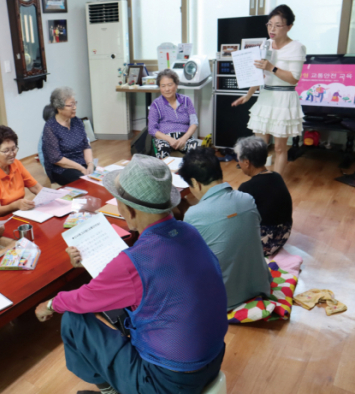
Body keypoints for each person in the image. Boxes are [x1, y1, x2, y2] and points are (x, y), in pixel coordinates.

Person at [34, 155, 228, 394]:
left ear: (129, 210)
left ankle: (111, 390)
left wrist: (50, 304)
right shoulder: (189, 232)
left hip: (167, 381)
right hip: (213, 358)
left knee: (73, 320)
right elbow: (152, 278)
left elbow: (84, 299)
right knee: (117, 308)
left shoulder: (133, 263)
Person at [179, 147, 272, 311]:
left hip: (224, 299)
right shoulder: (247, 199)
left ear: (195, 183)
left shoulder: (193, 215)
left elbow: (188, 262)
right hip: (260, 284)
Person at [231, 4, 306, 176]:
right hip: (266, 96)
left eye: (278, 25)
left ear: (289, 27)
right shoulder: (266, 44)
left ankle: (276, 183)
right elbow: (259, 73)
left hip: (284, 98)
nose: (272, 29)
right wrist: (248, 95)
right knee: (259, 145)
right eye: (269, 24)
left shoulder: (297, 47)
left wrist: (271, 67)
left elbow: (294, 78)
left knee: (280, 147)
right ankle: (261, 180)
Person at [234, 136, 293, 257]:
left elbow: (237, 217)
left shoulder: (247, 187)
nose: (238, 164)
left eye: (239, 161)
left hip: (264, 244)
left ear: (246, 162)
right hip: (283, 235)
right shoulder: (277, 176)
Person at [0, 125, 43, 218]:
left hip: (19, 215)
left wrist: (49, 198)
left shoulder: (16, 164)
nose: (12, 154)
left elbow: (36, 188)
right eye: (6, 151)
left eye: (14, 148)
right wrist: (16, 205)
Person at [42, 87, 94, 185]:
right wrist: (81, 168)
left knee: (98, 177)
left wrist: (90, 164)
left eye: (75, 103)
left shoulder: (77, 121)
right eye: (71, 105)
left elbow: (85, 146)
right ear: (59, 108)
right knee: (83, 181)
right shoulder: (50, 127)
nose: (75, 107)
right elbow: (56, 159)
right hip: (62, 169)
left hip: (81, 162)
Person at [148, 69, 199, 159]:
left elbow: (194, 123)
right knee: (162, 149)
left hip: (184, 136)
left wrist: (184, 138)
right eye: (163, 86)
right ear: (159, 87)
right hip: (164, 137)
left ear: (176, 85)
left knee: (195, 149)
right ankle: (167, 172)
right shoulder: (156, 104)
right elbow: (152, 129)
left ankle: (187, 172)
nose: (166, 89)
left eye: (170, 85)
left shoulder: (186, 100)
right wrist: (169, 139)